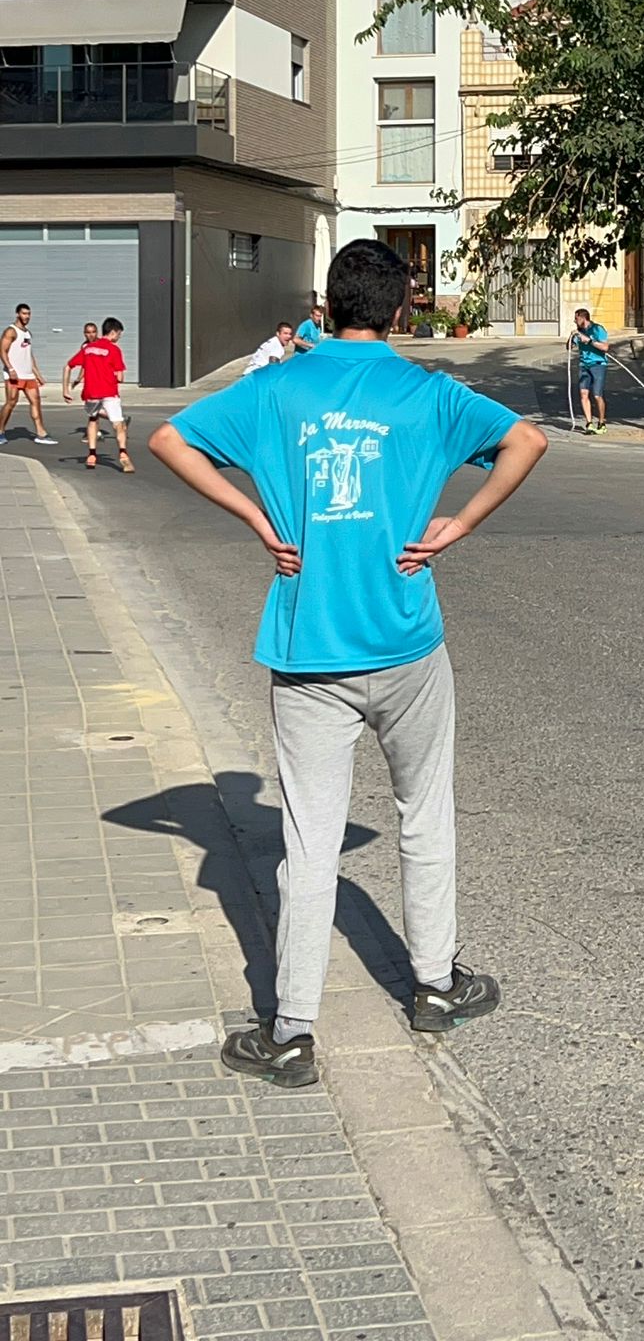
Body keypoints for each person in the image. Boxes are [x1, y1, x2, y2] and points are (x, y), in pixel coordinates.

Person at [148, 240, 547, 1088]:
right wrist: (455, 526)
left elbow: (171, 440)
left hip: (308, 648)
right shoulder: (429, 392)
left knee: (308, 841)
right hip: (407, 641)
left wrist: (256, 518)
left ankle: (291, 1032)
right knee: (423, 814)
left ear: (324, 306)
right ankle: (436, 985)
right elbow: (525, 443)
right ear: (402, 309)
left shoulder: (277, 389)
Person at [63, 317, 133, 473]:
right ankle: (123, 455)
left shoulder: (88, 348)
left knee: (93, 420)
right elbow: (120, 378)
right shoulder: (114, 350)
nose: (119, 338)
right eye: (119, 334)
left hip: (91, 392)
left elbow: (68, 366)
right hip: (109, 391)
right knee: (118, 424)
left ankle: (92, 455)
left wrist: (65, 390)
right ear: (113, 332)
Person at [0, 304, 57, 445]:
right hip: (14, 374)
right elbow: (2, 351)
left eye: (29, 314)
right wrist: (10, 369)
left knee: (36, 401)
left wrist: (37, 374)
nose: (27, 317)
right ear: (18, 314)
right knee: (11, 402)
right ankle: (0, 431)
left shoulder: (27, 333)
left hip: (28, 375)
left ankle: (41, 433)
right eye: (24, 313)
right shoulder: (11, 331)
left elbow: (29, 355)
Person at [571, 307, 609, 433]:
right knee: (583, 394)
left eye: (576, 319)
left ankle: (602, 423)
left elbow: (605, 347)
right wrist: (572, 337)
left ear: (583, 318)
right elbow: (569, 347)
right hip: (584, 365)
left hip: (598, 364)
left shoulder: (598, 329)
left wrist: (590, 341)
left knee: (597, 395)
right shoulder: (579, 332)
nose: (575, 321)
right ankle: (589, 423)